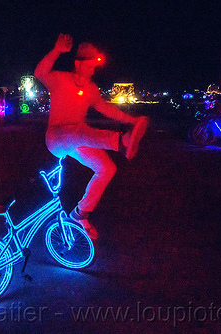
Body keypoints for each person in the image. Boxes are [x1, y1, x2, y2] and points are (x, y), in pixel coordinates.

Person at [34, 33, 149, 240]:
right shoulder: (60, 79)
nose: (93, 70)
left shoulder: (91, 89)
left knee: (107, 168)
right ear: (78, 64)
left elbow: (106, 109)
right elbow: (39, 72)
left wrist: (132, 121)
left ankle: (80, 214)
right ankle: (121, 142)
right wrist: (57, 50)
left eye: (95, 66)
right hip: (56, 138)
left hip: (77, 139)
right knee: (78, 130)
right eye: (90, 65)